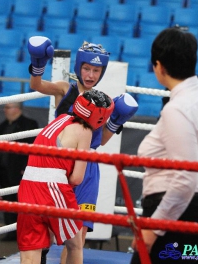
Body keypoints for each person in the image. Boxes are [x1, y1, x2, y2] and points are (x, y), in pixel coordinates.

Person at [27, 36, 138, 262]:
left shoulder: (104, 102)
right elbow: (36, 85)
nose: (90, 75)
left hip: (87, 170)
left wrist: (116, 120)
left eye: (96, 71)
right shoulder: (64, 90)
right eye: (87, 68)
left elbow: (102, 140)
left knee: (78, 235)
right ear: (79, 67)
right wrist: (38, 64)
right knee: (47, 229)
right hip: (59, 166)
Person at [130, 27, 198, 264]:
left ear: (159, 66)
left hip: (179, 219)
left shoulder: (178, 108)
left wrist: (154, 229)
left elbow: (186, 176)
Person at [17, 89, 114, 264]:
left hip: (27, 188)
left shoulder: (59, 119)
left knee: (31, 253)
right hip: (53, 189)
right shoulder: (85, 131)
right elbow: (77, 178)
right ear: (99, 117)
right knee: (75, 245)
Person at [0, 102, 38, 241]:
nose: (4, 110)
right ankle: (11, 231)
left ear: (16, 109)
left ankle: (24, 232)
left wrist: (26, 167)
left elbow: (33, 148)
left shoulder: (29, 124)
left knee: (22, 202)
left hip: (20, 171)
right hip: (4, 170)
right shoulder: (3, 125)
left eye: (7, 107)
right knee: (8, 201)